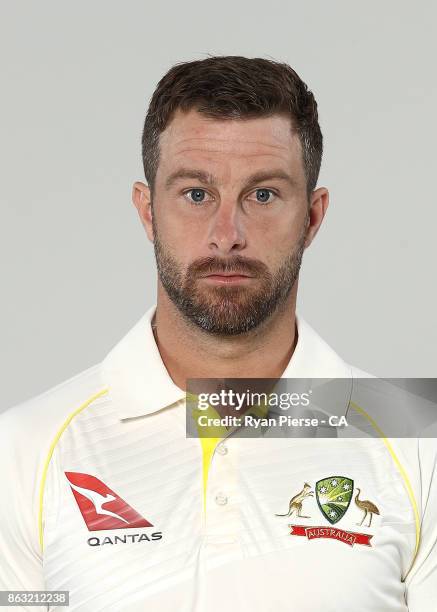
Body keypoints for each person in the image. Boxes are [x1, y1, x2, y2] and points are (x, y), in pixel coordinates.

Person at [0, 55, 435, 612]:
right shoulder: (26, 450)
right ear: (147, 211)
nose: (226, 235)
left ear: (313, 217)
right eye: (196, 194)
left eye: (263, 195)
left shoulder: (420, 441)